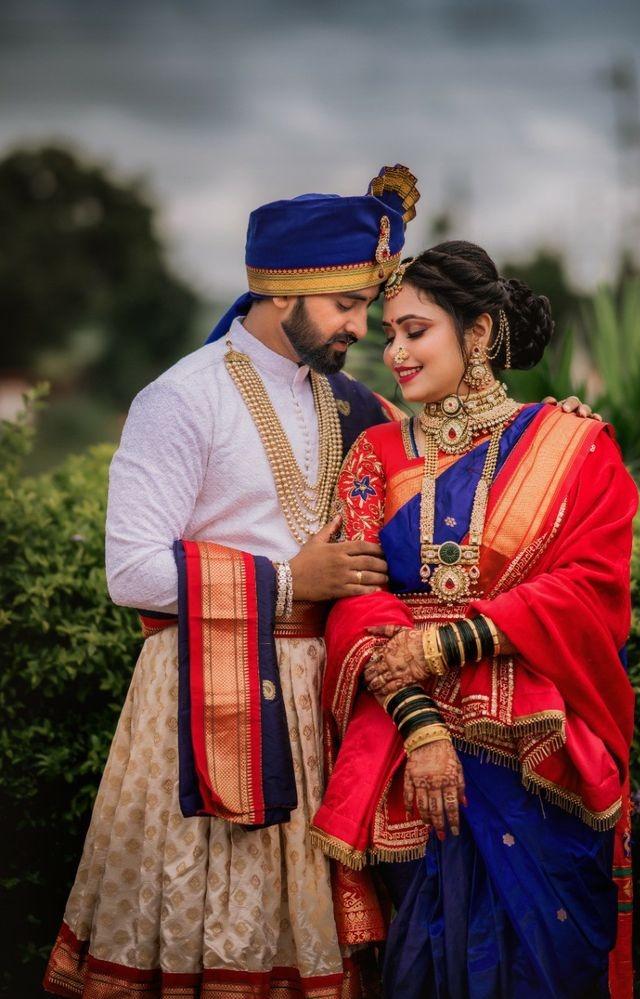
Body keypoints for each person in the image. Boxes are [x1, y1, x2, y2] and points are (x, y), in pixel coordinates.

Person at [43, 164, 420, 999]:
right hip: (203, 703)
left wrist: (549, 426)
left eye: (365, 305)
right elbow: (130, 570)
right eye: (345, 305)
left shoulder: (351, 402)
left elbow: (448, 464)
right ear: (283, 291)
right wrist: (293, 582)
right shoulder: (181, 399)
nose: (361, 326)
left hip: (319, 698)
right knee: (209, 930)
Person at [311, 241, 638, 998]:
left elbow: (589, 587)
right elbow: (358, 605)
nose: (393, 351)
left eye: (415, 330)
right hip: (414, 759)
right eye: (387, 333)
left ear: (481, 333)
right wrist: (423, 727)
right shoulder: (375, 452)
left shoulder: (571, 445)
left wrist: (448, 640)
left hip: (538, 752)